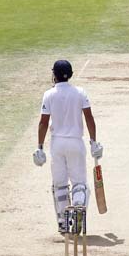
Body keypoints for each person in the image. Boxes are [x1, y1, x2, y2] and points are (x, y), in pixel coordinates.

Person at [34, 60, 103, 233]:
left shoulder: (49, 94)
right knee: (79, 183)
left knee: (60, 185)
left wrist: (40, 147)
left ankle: (63, 223)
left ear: (55, 75)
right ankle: (79, 208)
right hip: (76, 142)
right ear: (70, 74)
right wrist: (94, 141)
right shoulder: (80, 92)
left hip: (57, 144)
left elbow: (43, 123)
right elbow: (89, 118)